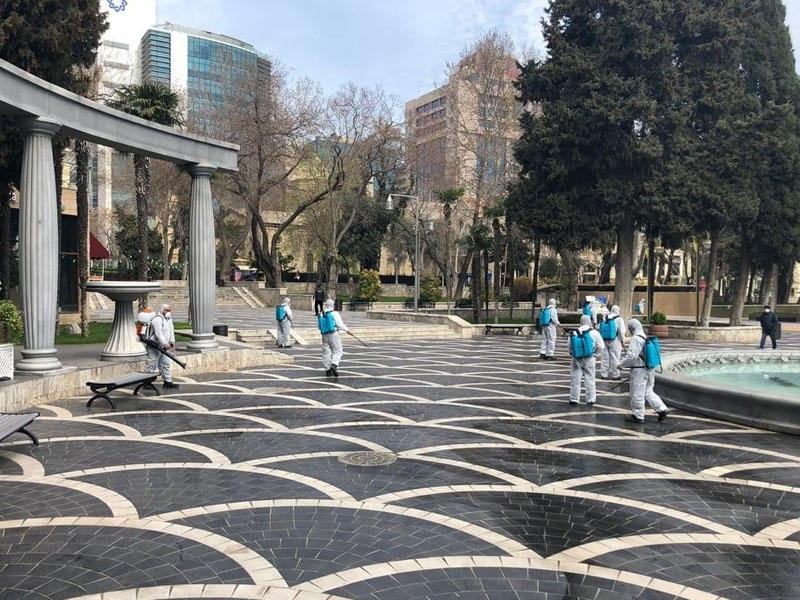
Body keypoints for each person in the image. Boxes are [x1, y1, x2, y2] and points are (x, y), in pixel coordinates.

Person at [619, 318, 668, 423]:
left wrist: (621, 365)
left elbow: (632, 356)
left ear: (632, 328)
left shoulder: (636, 338)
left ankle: (638, 415)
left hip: (640, 370)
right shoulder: (645, 336)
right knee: (648, 391)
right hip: (650, 368)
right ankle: (662, 409)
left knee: (637, 392)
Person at [569, 314, 604, 406]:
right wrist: (594, 353)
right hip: (589, 358)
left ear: (581, 322)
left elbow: (570, 345)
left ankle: (574, 399)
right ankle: (590, 399)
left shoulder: (574, 332)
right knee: (590, 378)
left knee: (575, 378)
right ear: (589, 321)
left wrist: (572, 353)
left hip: (577, 359)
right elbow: (601, 346)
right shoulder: (594, 333)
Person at [144, 303, 179, 390]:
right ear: (163, 310)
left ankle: (167, 382)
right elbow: (158, 334)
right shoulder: (158, 319)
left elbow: (171, 331)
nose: (169, 312)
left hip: (164, 347)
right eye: (167, 310)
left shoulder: (168, 319)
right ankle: (146, 383)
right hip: (154, 346)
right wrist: (165, 343)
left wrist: (172, 342)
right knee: (151, 364)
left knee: (165, 363)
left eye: (170, 310)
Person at [318, 298, 350, 377]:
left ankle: (327, 370)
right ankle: (334, 365)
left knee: (326, 352)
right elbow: (340, 324)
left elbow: (319, 326)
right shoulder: (334, 313)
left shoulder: (321, 314)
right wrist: (347, 330)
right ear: (333, 305)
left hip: (324, 334)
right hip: (334, 333)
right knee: (338, 350)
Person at [599, 304, 625, 380]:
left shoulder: (605, 317)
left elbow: (600, 328)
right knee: (615, 357)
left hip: (604, 339)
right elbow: (621, 331)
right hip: (615, 340)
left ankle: (604, 374)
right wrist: (623, 340)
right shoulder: (619, 319)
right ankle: (615, 375)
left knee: (605, 357)